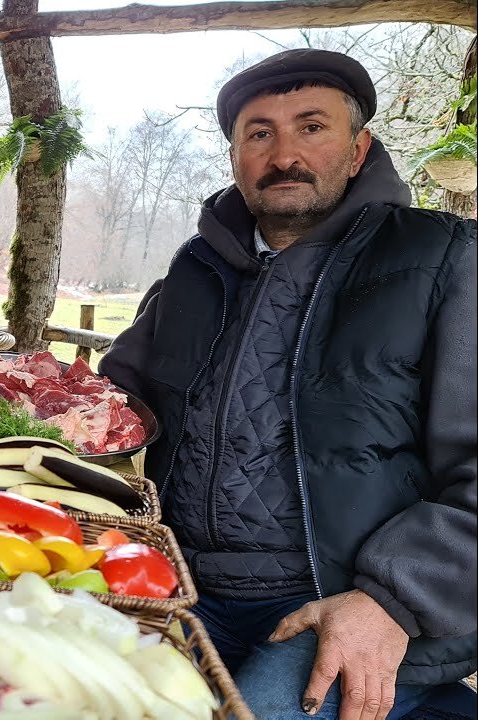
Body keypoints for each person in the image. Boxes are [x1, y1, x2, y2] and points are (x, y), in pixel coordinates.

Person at [99, 49, 476, 719]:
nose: (284, 154)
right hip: (178, 580)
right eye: (259, 133)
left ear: (359, 150)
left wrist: (393, 597)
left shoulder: (443, 259)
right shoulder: (195, 270)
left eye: (311, 127)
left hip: (341, 599)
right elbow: (117, 402)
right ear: (237, 159)